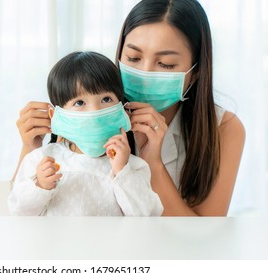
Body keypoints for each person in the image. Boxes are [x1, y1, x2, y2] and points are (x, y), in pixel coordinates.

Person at [12, 0, 245, 216]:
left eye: (165, 64)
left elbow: (207, 238)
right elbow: (19, 214)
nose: (145, 73)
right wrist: (30, 149)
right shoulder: (91, 113)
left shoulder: (224, 128)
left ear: (195, 72)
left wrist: (152, 162)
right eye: (133, 58)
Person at [9, 51, 163, 216]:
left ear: (122, 107)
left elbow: (148, 215)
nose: (95, 112)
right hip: (57, 242)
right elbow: (18, 213)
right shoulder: (40, 159)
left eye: (106, 99)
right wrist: (40, 186)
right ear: (55, 116)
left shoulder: (132, 165)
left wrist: (121, 171)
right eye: (79, 102)